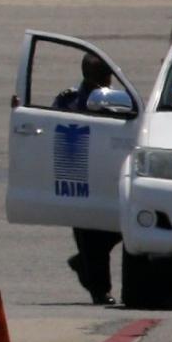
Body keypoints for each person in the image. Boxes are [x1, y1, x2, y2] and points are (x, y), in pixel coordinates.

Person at [50, 58, 123, 304]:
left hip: (96, 176)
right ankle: (100, 291)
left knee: (109, 232)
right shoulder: (71, 100)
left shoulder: (108, 100)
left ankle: (85, 267)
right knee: (91, 237)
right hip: (82, 177)